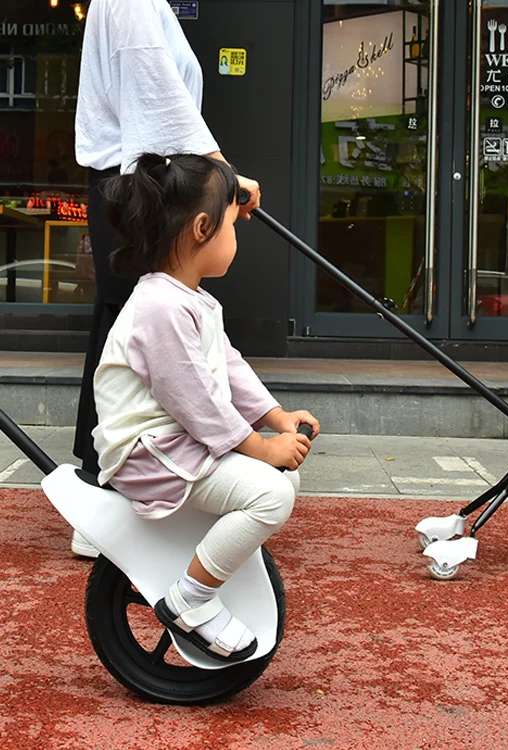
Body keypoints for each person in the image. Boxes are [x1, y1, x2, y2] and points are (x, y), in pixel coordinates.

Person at [92, 152, 320, 662]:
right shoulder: (160, 307)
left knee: (284, 481)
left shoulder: (189, 299)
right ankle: (190, 601)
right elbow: (195, 399)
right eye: (230, 227)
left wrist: (275, 417)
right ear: (201, 229)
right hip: (149, 452)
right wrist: (260, 447)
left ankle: (211, 562)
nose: (235, 237)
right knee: (270, 493)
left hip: (176, 442)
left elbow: (228, 368)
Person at [72, 0, 261, 557]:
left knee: (138, 326)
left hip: (139, 179)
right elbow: (156, 87)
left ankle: (112, 488)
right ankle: (108, 497)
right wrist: (223, 173)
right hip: (136, 181)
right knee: (147, 327)